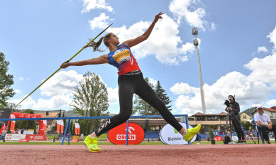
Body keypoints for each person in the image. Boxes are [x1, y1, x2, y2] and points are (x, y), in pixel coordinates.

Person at [61, 12, 201, 152]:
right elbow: (87, 62)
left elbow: (144, 37)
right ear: (109, 40)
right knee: (125, 114)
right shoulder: (107, 57)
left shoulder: (125, 45)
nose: (118, 37)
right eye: (115, 36)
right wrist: (70, 64)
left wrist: (154, 21)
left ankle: (185, 133)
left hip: (139, 80)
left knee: (160, 105)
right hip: (126, 81)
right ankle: (92, 137)